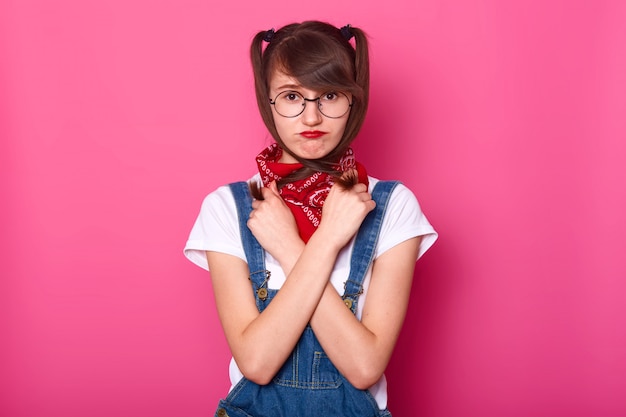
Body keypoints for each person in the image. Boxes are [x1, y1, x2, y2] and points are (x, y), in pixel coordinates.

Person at [184, 20, 437, 417]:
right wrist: (321, 242)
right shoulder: (228, 207)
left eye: (330, 95)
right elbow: (257, 362)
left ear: (354, 99)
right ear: (267, 101)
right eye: (291, 96)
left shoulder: (393, 206)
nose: (312, 117)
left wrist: (293, 245)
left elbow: (364, 366)